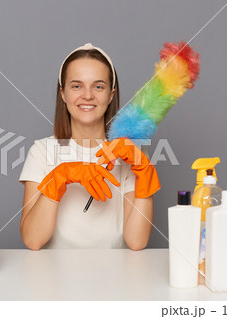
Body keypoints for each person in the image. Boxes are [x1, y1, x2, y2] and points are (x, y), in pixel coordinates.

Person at [19, 43, 160, 250]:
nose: (87, 95)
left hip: (116, 275)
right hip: (54, 277)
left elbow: (136, 241)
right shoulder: (41, 152)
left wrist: (145, 170)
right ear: (63, 94)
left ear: (111, 95)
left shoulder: (130, 153)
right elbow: (32, 240)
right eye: (76, 86)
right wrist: (60, 176)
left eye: (98, 86)